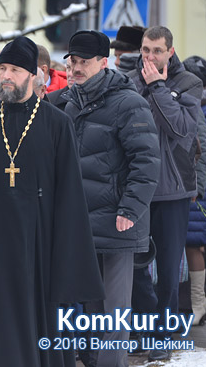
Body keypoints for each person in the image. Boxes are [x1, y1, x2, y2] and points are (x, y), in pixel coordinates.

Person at [0, 35, 104, 367]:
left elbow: (71, 198)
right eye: (2, 68)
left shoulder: (56, 123)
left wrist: (68, 262)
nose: (6, 76)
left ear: (34, 74)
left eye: (15, 69)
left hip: (40, 246)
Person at [62, 30, 160, 367]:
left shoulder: (129, 103)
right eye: (72, 61)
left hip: (118, 220)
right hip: (81, 221)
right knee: (90, 307)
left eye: (83, 62)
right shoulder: (70, 100)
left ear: (104, 63)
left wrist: (130, 208)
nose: (76, 68)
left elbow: (147, 162)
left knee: (114, 314)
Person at [127, 25, 201, 361]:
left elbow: (183, 130)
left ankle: (163, 335)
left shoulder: (188, 83)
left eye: (157, 50)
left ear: (170, 51)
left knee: (169, 271)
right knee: (137, 267)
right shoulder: (128, 81)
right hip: (136, 189)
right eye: (146, 50)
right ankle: (142, 331)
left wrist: (158, 86)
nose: (151, 57)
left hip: (172, 190)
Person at [182, 55, 206, 325]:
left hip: (203, 185)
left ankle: (197, 305)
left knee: (194, 244)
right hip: (197, 182)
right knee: (191, 244)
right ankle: (195, 303)